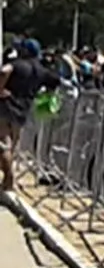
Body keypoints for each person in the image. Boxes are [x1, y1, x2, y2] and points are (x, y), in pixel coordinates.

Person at [0, 39, 59, 192]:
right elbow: (55, 81)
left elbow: (4, 71)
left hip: (6, 107)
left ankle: (8, 179)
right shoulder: (41, 70)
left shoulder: (18, 64)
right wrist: (46, 96)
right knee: (12, 147)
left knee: (4, 144)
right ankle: (7, 182)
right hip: (23, 110)